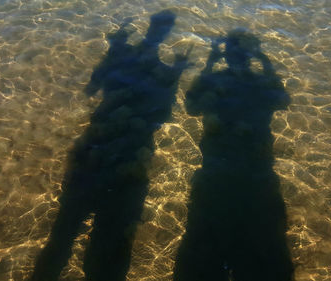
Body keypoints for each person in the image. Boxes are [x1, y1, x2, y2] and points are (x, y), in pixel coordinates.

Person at [30, 10, 189, 281]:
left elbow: (92, 87)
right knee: (110, 230)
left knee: (64, 230)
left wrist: (116, 51)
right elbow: (162, 114)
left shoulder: (125, 56)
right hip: (127, 145)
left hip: (95, 141)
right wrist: (174, 74)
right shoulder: (155, 67)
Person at [173, 29, 294, 281]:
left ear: (224, 55)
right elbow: (283, 99)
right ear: (250, 55)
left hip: (216, 169)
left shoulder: (214, 81)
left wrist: (209, 63)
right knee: (258, 246)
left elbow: (191, 106)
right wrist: (264, 60)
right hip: (257, 171)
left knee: (209, 241)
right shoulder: (261, 85)